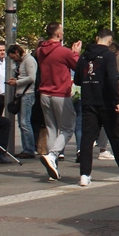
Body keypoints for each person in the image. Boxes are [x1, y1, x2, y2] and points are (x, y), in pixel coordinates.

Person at [75, 28, 119, 187]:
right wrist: (117, 101)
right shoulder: (109, 56)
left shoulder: (83, 56)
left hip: (88, 101)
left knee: (87, 139)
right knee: (114, 136)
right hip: (106, 102)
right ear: (110, 41)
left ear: (97, 38)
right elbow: (111, 80)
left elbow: (77, 80)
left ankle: (84, 174)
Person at [35, 22, 82, 180]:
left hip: (44, 94)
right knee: (68, 128)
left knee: (51, 129)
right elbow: (78, 67)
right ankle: (53, 156)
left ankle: (52, 164)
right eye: (62, 31)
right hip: (60, 94)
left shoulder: (40, 50)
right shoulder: (63, 51)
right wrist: (75, 53)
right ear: (58, 34)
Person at [7, 43, 37, 159]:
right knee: (22, 123)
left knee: (25, 122)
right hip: (22, 93)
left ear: (17, 52)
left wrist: (17, 82)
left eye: (13, 58)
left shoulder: (29, 60)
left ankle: (29, 149)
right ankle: (27, 148)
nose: (14, 60)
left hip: (27, 94)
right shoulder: (23, 62)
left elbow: (32, 77)